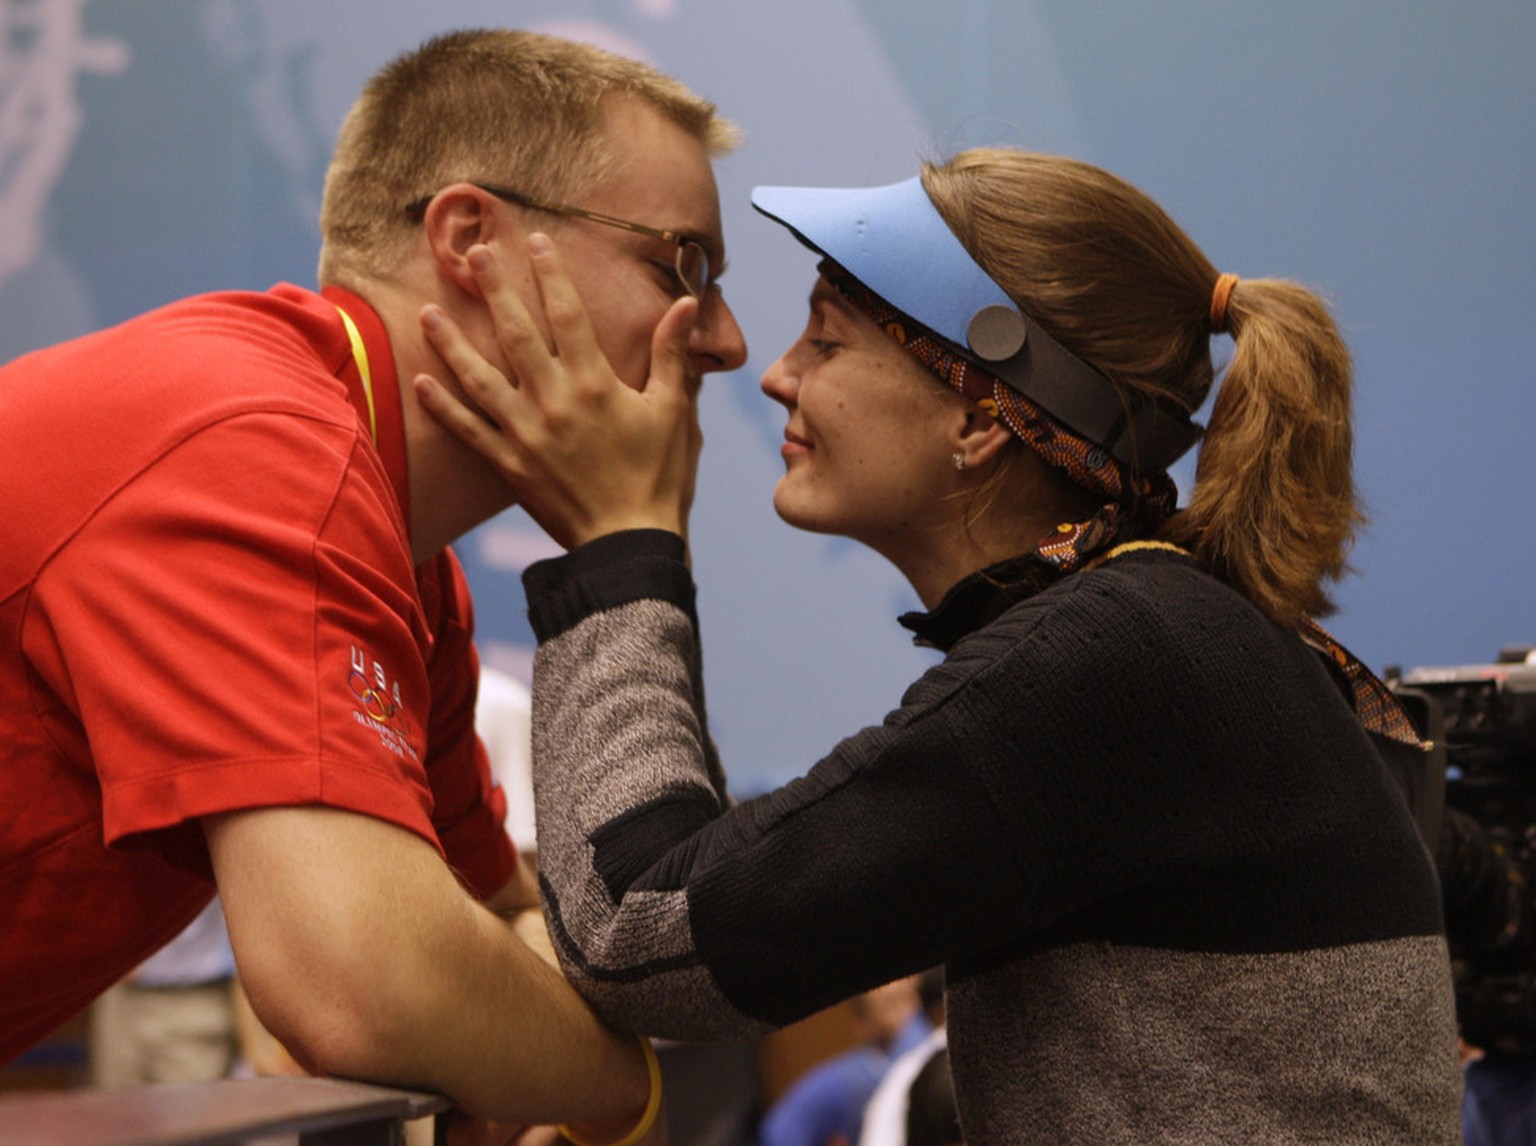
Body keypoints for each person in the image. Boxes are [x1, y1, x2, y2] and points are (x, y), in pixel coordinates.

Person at [411, 148, 1461, 1143]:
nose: (776, 374)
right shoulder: (1161, 636)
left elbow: (638, 932)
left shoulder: (1118, 654)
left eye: (825, 340)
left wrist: (615, 541)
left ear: (980, 418)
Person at [0, 26, 747, 1142]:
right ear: (470, 239)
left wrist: (513, 1031)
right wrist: (627, 1098)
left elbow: (533, 937)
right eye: (679, 267)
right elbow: (364, 983)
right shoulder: (251, 436)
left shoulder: (404, 565)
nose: (727, 342)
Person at [758, 976, 931, 1146]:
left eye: (911, 998)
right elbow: (778, 1132)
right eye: (892, 1004)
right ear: (864, 1023)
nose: (910, 1014)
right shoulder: (848, 1078)